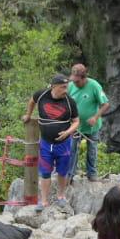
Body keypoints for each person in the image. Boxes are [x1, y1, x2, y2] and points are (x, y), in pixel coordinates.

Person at [24, 74, 79, 210]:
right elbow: (32, 101)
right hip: (46, 143)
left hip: (64, 144)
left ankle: (61, 197)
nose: (66, 90)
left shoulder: (70, 102)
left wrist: (68, 132)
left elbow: (76, 121)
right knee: (45, 172)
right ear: (54, 86)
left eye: (67, 87)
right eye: (63, 87)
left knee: (62, 171)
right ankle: (43, 201)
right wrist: (28, 115)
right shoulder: (42, 95)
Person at [67, 63, 109, 182]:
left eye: (77, 81)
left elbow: (105, 104)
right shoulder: (70, 86)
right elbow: (65, 103)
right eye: (73, 80)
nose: (75, 83)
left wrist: (95, 117)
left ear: (83, 77)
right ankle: (70, 175)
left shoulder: (94, 85)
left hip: (92, 127)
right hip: (75, 126)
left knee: (92, 151)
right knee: (72, 150)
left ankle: (92, 173)